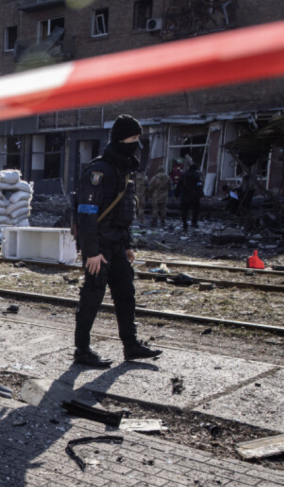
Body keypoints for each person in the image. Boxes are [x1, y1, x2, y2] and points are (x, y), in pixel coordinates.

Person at [73, 114, 162, 368]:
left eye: (138, 138)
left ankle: (130, 345)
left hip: (116, 246)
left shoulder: (122, 168)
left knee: (126, 294)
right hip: (99, 248)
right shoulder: (100, 170)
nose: (136, 144)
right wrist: (91, 251)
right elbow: (86, 213)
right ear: (120, 139)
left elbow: (121, 213)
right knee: (92, 297)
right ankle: (82, 350)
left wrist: (127, 244)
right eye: (133, 138)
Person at [175, 163, 203, 229]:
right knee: (195, 210)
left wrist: (176, 195)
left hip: (184, 196)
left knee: (184, 211)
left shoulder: (184, 175)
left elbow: (178, 185)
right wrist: (201, 195)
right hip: (194, 196)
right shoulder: (196, 175)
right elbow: (199, 185)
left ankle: (185, 223)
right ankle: (194, 223)